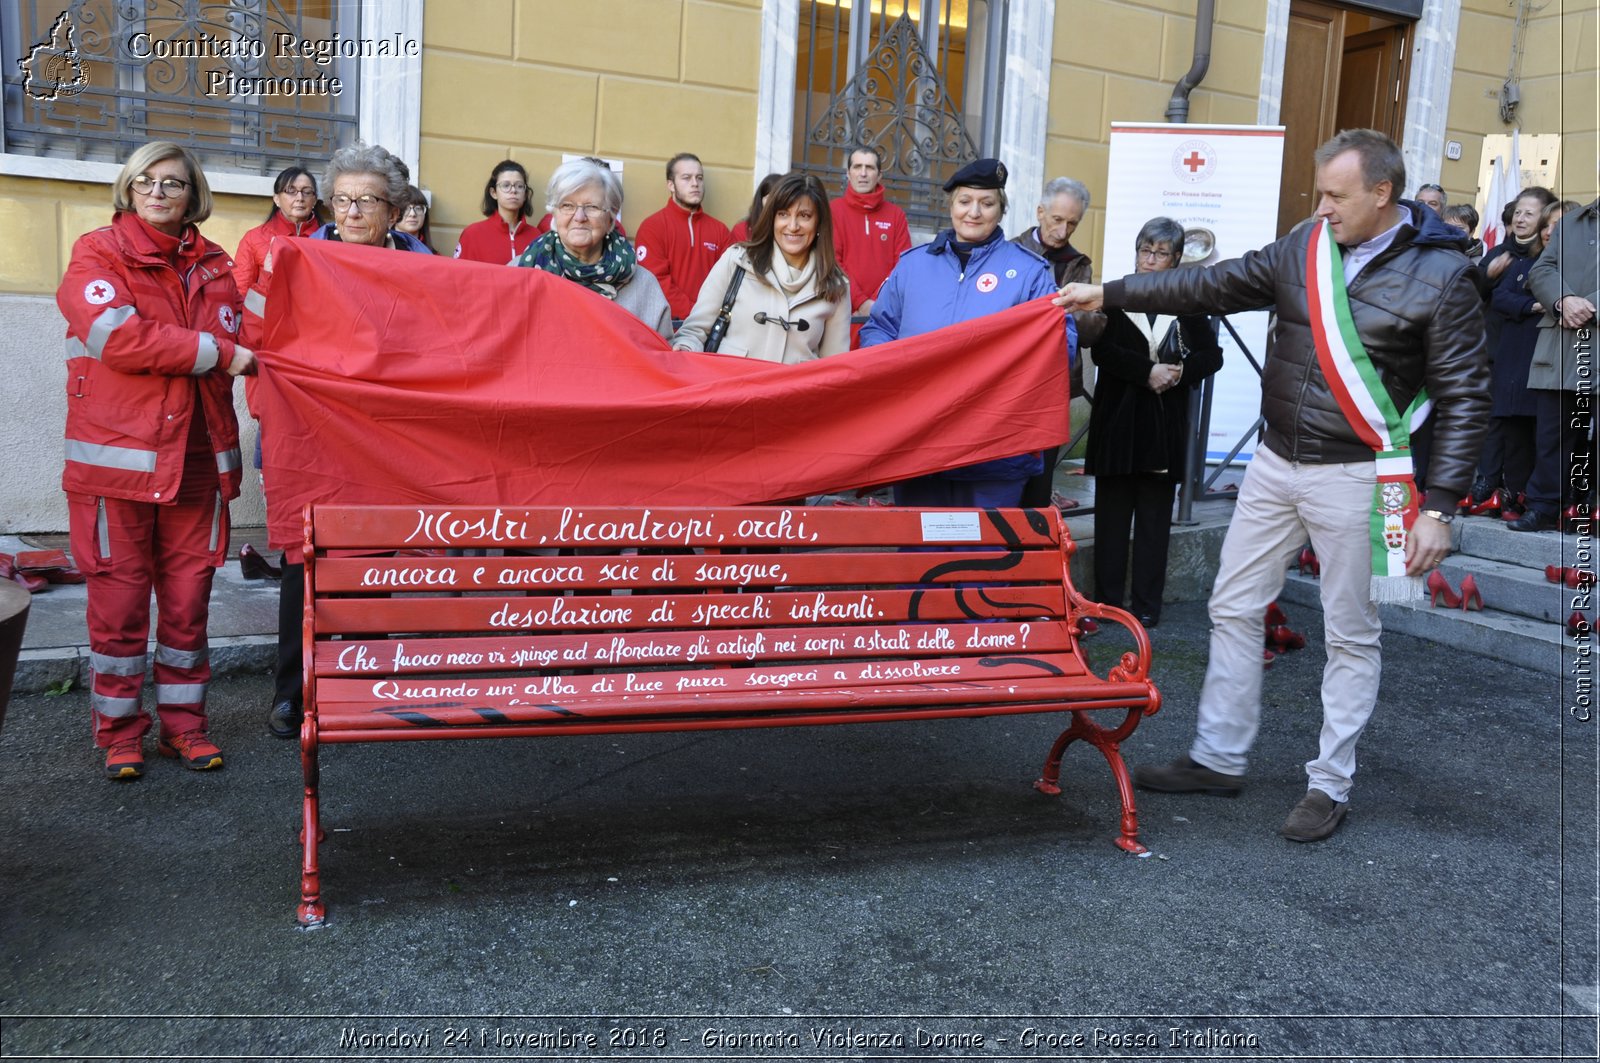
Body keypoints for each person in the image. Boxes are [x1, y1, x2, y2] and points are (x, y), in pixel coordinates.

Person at [1057, 129, 1488, 842]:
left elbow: (1469, 393)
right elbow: (1210, 282)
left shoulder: (1444, 277)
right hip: (1275, 463)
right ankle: (1218, 757)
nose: (1321, 208)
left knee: (1351, 633)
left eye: (1336, 195)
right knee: (1232, 605)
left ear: (1383, 193)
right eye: (1319, 193)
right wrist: (1112, 289)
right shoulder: (1306, 245)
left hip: (1360, 473)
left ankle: (1330, 783)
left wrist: (1439, 506)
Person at [56, 141, 255, 779]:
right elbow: (116, 336)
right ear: (128, 187)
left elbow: (263, 336)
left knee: (188, 607)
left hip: (197, 465)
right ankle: (120, 735)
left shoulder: (220, 267)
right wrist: (219, 353)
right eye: (146, 179)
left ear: (193, 193)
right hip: (117, 471)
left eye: (173, 182)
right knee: (117, 614)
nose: (159, 191)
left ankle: (185, 728)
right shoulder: (98, 253)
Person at [257, 142, 431, 741]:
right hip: (317, 434)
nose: (352, 212)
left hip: (389, 438)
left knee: (378, 561)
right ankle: (293, 692)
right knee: (303, 564)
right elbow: (266, 340)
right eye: (343, 200)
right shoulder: (300, 260)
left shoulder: (423, 267)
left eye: (368, 201)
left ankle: (361, 688)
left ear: (396, 208)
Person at [861, 157, 1075, 507]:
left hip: (995, 449)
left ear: (1000, 210)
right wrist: (894, 365)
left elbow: (1060, 344)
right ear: (951, 207)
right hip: (918, 442)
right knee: (919, 551)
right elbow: (880, 328)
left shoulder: (1029, 272)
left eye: (987, 203)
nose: (974, 212)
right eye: (964, 201)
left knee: (983, 556)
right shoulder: (911, 265)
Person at [1086, 218, 1222, 628]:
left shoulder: (1186, 302)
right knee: (1110, 520)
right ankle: (1107, 604)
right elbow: (1101, 352)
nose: (1150, 259)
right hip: (1118, 424)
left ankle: (1147, 606)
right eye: (1145, 250)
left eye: (1161, 253)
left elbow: (1211, 356)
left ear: (1176, 259)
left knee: (1153, 523)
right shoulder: (1114, 294)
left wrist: (1179, 372)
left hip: (1163, 430)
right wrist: (1147, 371)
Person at [671, 172, 851, 361]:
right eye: (783, 214)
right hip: (732, 386)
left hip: (796, 391)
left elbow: (834, 367)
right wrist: (685, 349)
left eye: (804, 215)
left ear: (819, 222)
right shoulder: (737, 260)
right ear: (771, 218)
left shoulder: (836, 286)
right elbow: (694, 330)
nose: (793, 225)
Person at [1012, 175, 1108, 506]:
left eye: (1072, 223)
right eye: (1057, 220)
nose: (1063, 231)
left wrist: (1056, 313)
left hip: (1056, 381)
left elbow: (1094, 327)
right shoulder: (1011, 252)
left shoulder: (1079, 265)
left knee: (1040, 479)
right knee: (1004, 474)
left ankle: (1036, 548)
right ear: (1040, 212)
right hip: (1011, 380)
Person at [514, 157, 672, 339]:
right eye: (567, 205)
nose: (579, 216)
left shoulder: (644, 286)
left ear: (611, 219)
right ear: (554, 213)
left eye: (592, 207)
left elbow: (662, 356)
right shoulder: (520, 271)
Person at [1517, 196, 1599, 533]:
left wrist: (1589, 305)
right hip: (1563, 344)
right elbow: (1542, 270)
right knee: (1553, 434)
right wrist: (1562, 300)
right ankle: (1544, 506)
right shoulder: (1572, 222)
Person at [1476, 187, 1558, 518]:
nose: (1521, 218)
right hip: (1496, 347)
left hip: (1535, 352)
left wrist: (1536, 303)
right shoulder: (1501, 253)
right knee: (1495, 420)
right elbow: (1490, 296)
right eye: (1518, 212)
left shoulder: (1546, 258)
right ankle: (1487, 484)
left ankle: (1517, 491)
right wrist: (1489, 276)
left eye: (1530, 213)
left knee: (1524, 425)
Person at [634, 152, 732, 321]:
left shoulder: (720, 231)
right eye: (686, 178)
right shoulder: (652, 227)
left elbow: (729, 280)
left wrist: (707, 316)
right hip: (665, 325)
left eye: (699, 178)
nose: (695, 184)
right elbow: (655, 281)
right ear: (671, 185)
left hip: (709, 326)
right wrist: (695, 313)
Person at [830, 146, 911, 320]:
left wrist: (875, 303)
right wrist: (861, 302)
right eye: (857, 167)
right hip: (842, 310)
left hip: (884, 311)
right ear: (848, 173)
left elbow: (903, 265)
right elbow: (832, 262)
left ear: (879, 175)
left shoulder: (896, 215)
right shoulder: (833, 210)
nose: (863, 173)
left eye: (870, 168)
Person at [233, 165, 321, 295]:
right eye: (291, 191)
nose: (300, 198)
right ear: (277, 199)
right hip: (268, 313)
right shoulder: (254, 238)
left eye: (307, 192)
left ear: (314, 200)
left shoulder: (327, 237)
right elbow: (240, 293)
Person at [453, 161, 537, 264]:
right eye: (506, 185)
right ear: (494, 193)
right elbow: (459, 276)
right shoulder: (472, 234)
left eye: (519, 186)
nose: (513, 190)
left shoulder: (537, 237)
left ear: (525, 194)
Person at [729, 172, 782, 244]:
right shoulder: (743, 229)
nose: (774, 203)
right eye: (769, 198)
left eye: (779, 198)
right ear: (760, 199)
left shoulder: (789, 230)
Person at [395, 184, 437, 253]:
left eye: (418, 208)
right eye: (406, 208)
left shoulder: (435, 257)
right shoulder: (382, 250)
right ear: (393, 213)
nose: (412, 214)